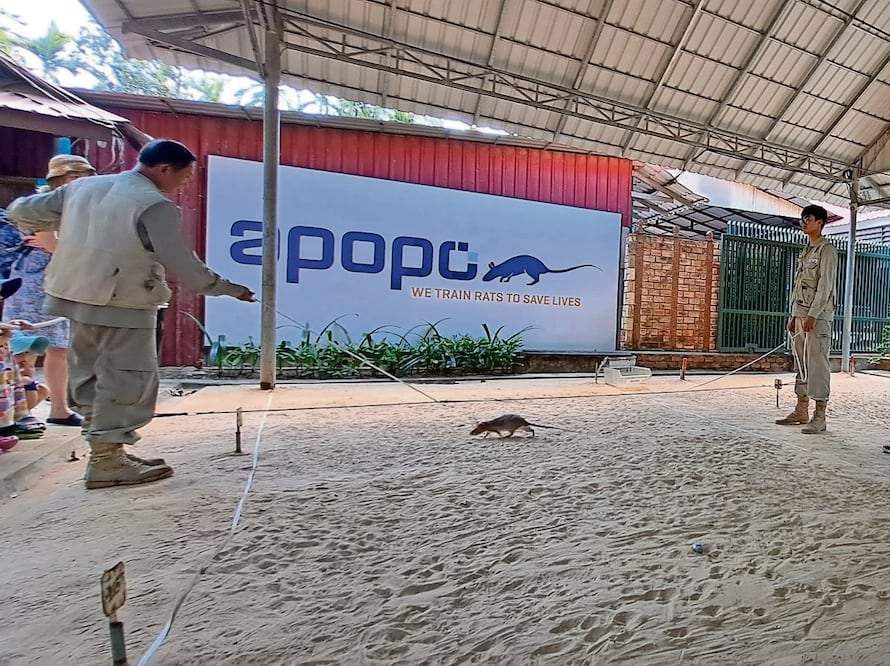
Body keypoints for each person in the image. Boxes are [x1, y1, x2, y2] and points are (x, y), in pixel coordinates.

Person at [7, 139, 255, 489]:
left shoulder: (82, 188)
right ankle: (107, 460)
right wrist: (231, 289)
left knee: (88, 373)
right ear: (164, 169)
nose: (184, 183)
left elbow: (21, 211)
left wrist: (66, 225)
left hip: (74, 296)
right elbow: (184, 265)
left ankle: (106, 452)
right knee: (127, 377)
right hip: (122, 302)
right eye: (184, 176)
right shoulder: (153, 204)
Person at [2, 154, 97, 428]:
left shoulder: (83, 209)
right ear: (59, 180)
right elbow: (54, 245)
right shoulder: (40, 207)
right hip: (34, 281)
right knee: (24, 346)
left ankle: (59, 408)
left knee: (59, 348)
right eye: (74, 178)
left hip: (65, 281)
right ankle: (21, 409)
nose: (81, 183)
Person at [775, 204, 837, 434]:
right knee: (800, 361)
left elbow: (825, 286)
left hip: (817, 317)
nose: (803, 222)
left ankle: (819, 415)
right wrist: (794, 316)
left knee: (817, 364)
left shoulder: (826, 250)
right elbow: (799, 286)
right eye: (802, 219)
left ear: (820, 222)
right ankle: (801, 409)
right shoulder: (806, 250)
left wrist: (813, 315)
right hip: (801, 314)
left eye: (808, 218)